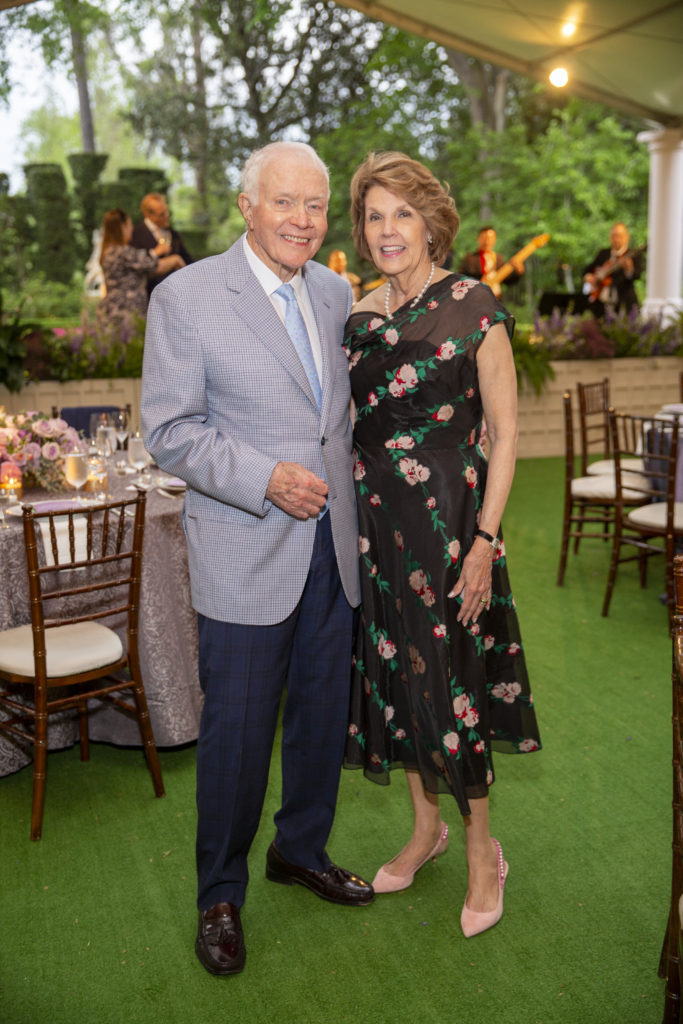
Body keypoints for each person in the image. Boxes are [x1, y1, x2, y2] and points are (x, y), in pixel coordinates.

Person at [141, 141, 373, 978]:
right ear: (247, 206)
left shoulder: (336, 291)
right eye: (285, 203)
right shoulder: (187, 295)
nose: (302, 221)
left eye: (314, 206)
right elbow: (168, 429)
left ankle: (300, 849)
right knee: (236, 737)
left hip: (332, 554)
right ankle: (220, 894)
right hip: (244, 547)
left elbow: (339, 421)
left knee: (319, 719)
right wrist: (263, 478)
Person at [344, 152, 541, 938]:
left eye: (402, 214)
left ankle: (481, 850)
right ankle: (424, 831)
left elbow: (506, 431)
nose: (387, 230)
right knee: (401, 680)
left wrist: (485, 542)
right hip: (376, 534)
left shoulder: (473, 304)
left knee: (453, 682)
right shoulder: (356, 315)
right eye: (373, 215)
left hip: (452, 525)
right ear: (360, 231)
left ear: (430, 221)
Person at [95, 208, 184, 334]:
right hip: (126, 311)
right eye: (130, 225)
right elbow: (156, 266)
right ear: (123, 227)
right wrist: (176, 259)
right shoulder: (123, 252)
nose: (132, 229)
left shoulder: (108, 251)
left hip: (110, 309)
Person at [131, 192, 194, 296]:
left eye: (167, 212)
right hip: (148, 294)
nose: (166, 217)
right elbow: (134, 264)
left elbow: (187, 260)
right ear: (148, 214)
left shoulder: (173, 234)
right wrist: (154, 252)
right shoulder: (136, 234)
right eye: (161, 215)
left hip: (175, 293)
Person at [582, 222, 644, 318]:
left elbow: (636, 275)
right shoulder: (604, 254)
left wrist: (629, 268)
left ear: (627, 237)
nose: (617, 239)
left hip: (624, 305)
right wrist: (589, 277)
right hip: (600, 306)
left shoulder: (633, 255)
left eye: (620, 236)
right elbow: (587, 270)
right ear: (610, 238)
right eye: (614, 236)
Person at [458, 225, 524, 294]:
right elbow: (461, 278)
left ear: (495, 239)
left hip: (496, 299)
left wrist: (518, 273)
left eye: (491, 238)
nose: (487, 241)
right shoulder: (469, 259)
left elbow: (507, 281)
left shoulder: (499, 259)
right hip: (477, 296)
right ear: (478, 238)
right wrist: (479, 280)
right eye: (484, 238)